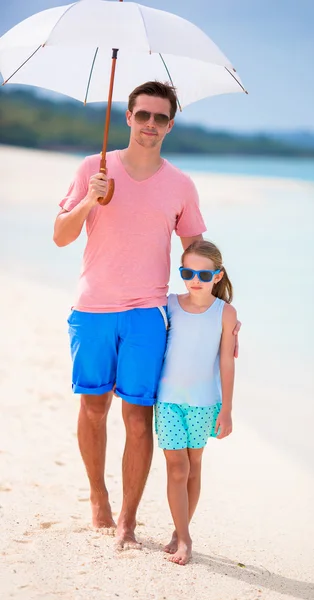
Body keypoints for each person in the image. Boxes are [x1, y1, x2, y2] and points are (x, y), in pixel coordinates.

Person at [53, 81, 239, 550]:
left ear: (170, 125)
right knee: (93, 408)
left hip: (147, 314)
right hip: (93, 308)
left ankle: (128, 521)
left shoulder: (180, 184)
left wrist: (219, 313)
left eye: (160, 118)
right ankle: (99, 497)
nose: (150, 125)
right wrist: (89, 200)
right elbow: (60, 236)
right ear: (129, 118)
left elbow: (196, 253)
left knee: (138, 418)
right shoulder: (92, 170)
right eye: (143, 116)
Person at [155, 240, 236, 565]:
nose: (195, 279)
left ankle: (180, 529)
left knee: (194, 466)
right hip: (168, 401)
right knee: (178, 467)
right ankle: (185, 538)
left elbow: (227, 362)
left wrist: (227, 409)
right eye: (188, 272)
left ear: (217, 276)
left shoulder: (225, 313)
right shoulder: (169, 304)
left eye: (204, 274)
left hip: (204, 403)